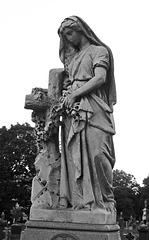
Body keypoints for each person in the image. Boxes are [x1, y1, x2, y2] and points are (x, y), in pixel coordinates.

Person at [58, 16, 116, 211]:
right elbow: (68, 83)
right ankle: (83, 201)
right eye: (64, 36)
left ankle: (106, 201)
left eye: (70, 33)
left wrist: (75, 94)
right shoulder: (73, 58)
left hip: (95, 107)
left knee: (99, 154)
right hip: (73, 111)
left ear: (81, 30)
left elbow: (100, 78)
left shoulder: (99, 51)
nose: (68, 39)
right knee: (76, 156)